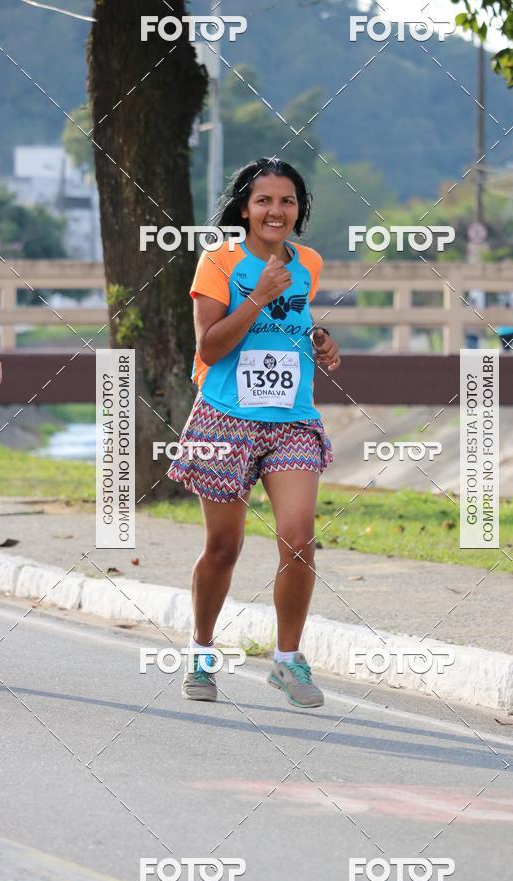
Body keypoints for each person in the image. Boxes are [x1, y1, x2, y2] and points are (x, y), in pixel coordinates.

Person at [166, 158, 341, 709]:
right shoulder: (219, 260)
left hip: (292, 418)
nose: (276, 211)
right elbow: (209, 347)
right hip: (226, 418)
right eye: (264, 200)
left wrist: (320, 339)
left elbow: (293, 323)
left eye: (287, 201)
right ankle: (200, 651)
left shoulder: (308, 261)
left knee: (299, 537)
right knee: (224, 547)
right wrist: (259, 295)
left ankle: (287, 661)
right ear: (245, 208)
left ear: (299, 209)